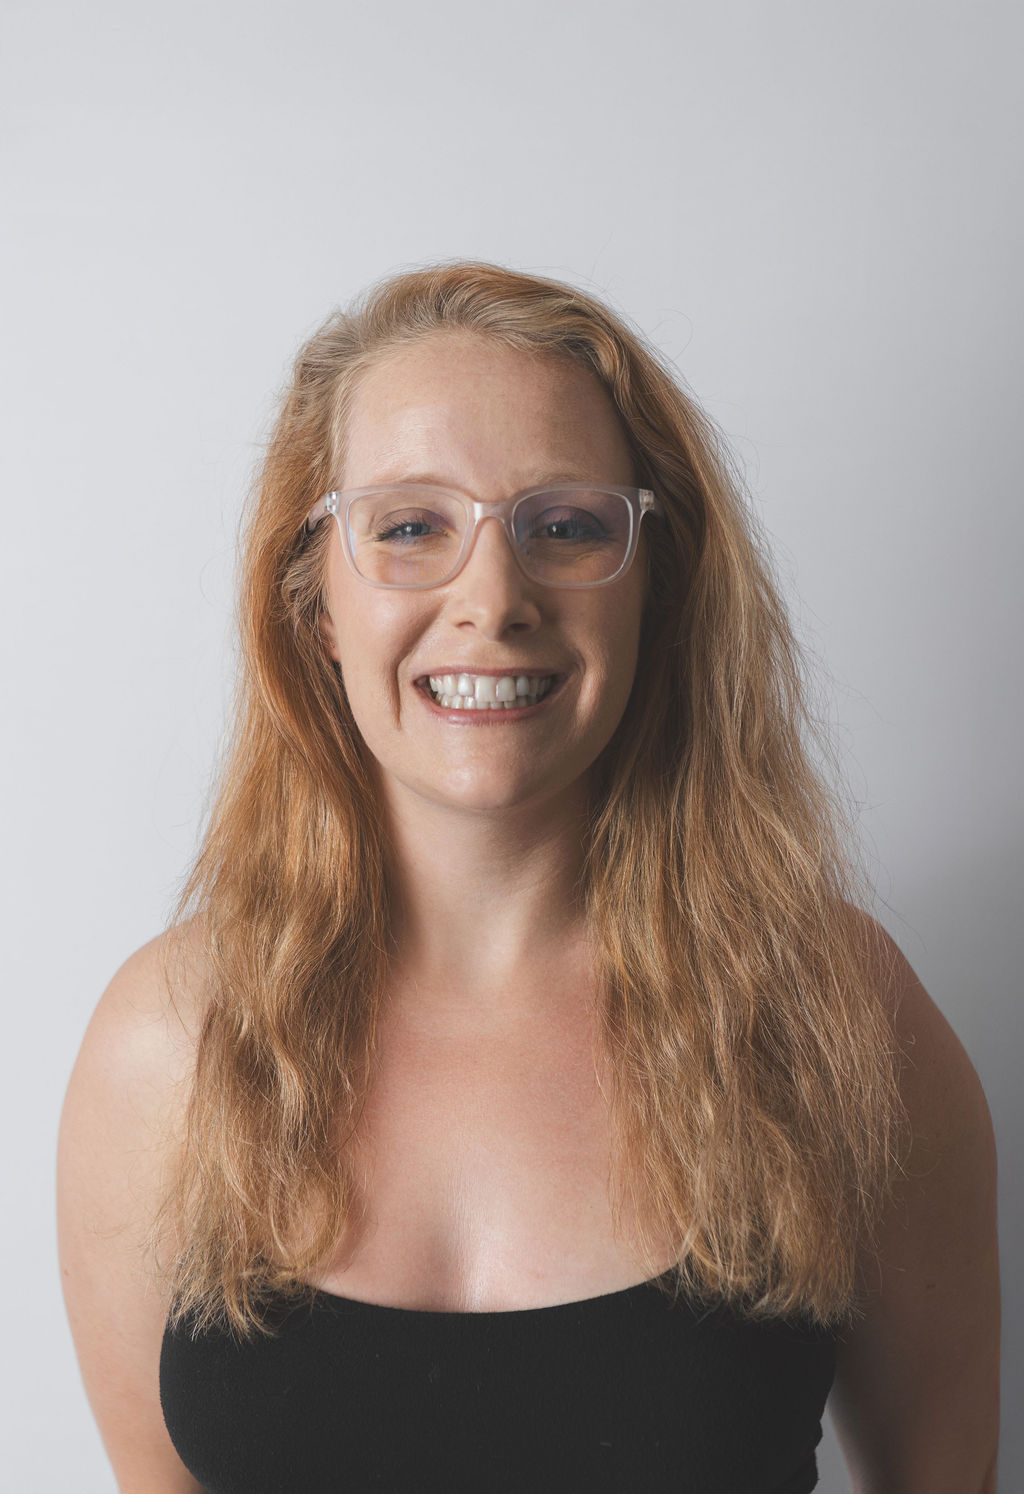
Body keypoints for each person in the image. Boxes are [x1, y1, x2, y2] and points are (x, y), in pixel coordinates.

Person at [57, 262, 1000, 1493]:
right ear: (315, 599)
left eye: (565, 527)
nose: (492, 601)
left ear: (654, 584)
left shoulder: (830, 1013)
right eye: (408, 527)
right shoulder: (170, 1047)